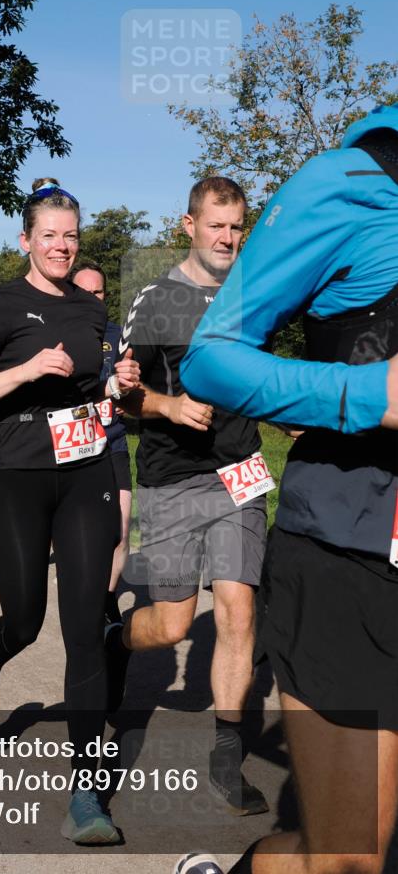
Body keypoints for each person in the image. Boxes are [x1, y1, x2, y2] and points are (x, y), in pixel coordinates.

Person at [175, 106, 398, 874]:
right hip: (355, 553)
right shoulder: (354, 181)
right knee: (347, 861)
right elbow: (210, 358)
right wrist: (369, 396)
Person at [0, 178, 140, 844]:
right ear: (27, 240)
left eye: (71, 235)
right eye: (50, 235)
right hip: (17, 474)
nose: (62, 246)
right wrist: (25, 373)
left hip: (86, 472)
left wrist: (122, 386)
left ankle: (87, 794)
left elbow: (99, 389)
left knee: (84, 624)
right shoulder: (3, 304)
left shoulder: (90, 311)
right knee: (25, 620)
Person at [117, 176, 270, 816]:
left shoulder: (257, 295)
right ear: (189, 225)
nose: (228, 237)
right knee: (175, 622)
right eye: (216, 225)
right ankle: (112, 641)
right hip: (172, 477)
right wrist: (168, 405)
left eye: (236, 226)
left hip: (240, 471)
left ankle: (227, 757)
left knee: (238, 610)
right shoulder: (158, 300)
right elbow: (122, 397)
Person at [71, 265, 133, 633]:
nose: (93, 299)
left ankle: (107, 599)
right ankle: (83, 591)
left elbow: (137, 380)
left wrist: (131, 398)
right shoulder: (55, 332)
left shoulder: (121, 335)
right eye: (85, 292)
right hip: (72, 446)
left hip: (113, 439)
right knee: (77, 531)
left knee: (121, 529)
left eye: (99, 293)